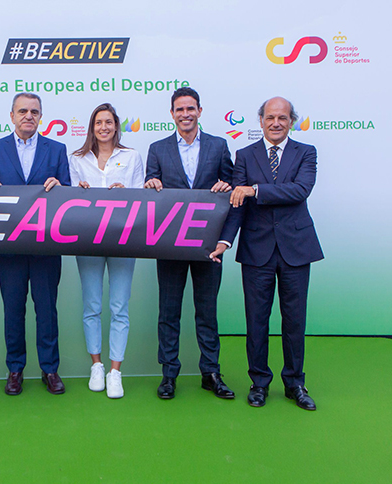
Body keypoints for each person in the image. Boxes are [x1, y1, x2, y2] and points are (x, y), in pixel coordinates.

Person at [212, 96, 323, 410]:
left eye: (283, 118)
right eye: (270, 117)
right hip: (256, 250)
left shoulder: (306, 153)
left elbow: (300, 190)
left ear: (291, 121)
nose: (276, 123)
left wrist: (256, 189)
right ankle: (259, 383)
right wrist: (224, 241)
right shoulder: (245, 155)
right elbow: (237, 203)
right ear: (260, 120)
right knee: (256, 321)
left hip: (296, 250)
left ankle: (295, 384)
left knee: (294, 321)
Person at [145, 87, 235, 400]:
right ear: (172, 114)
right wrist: (151, 184)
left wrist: (228, 186)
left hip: (209, 247)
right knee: (168, 312)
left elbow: (233, 194)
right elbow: (150, 193)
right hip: (169, 246)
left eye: (190, 108)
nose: (185, 114)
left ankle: (211, 372)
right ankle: (169, 374)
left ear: (199, 111)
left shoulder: (219, 146)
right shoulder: (157, 149)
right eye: (180, 109)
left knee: (207, 312)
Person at [0, 92, 70, 395]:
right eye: (23, 111)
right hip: (9, 248)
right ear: (12, 116)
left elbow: (68, 195)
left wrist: (60, 187)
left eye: (34, 111)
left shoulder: (56, 149)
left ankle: (50, 369)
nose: (28, 116)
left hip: (46, 246)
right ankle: (15, 369)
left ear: (41, 116)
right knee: (13, 309)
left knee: (46, 310)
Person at [69, 103, 144, 399]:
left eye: (109, 122)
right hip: (87, 238)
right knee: (92, 305)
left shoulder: (132, 156)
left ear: (116, 126)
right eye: (99, 122)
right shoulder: (77, 158)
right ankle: (96, 365)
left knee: (119, 307)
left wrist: (124, 193)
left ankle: (116, 371)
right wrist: (79, 191)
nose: (104, 127)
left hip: (124, 237)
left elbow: (142, 198)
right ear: (92, 126)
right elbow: (66, 200)